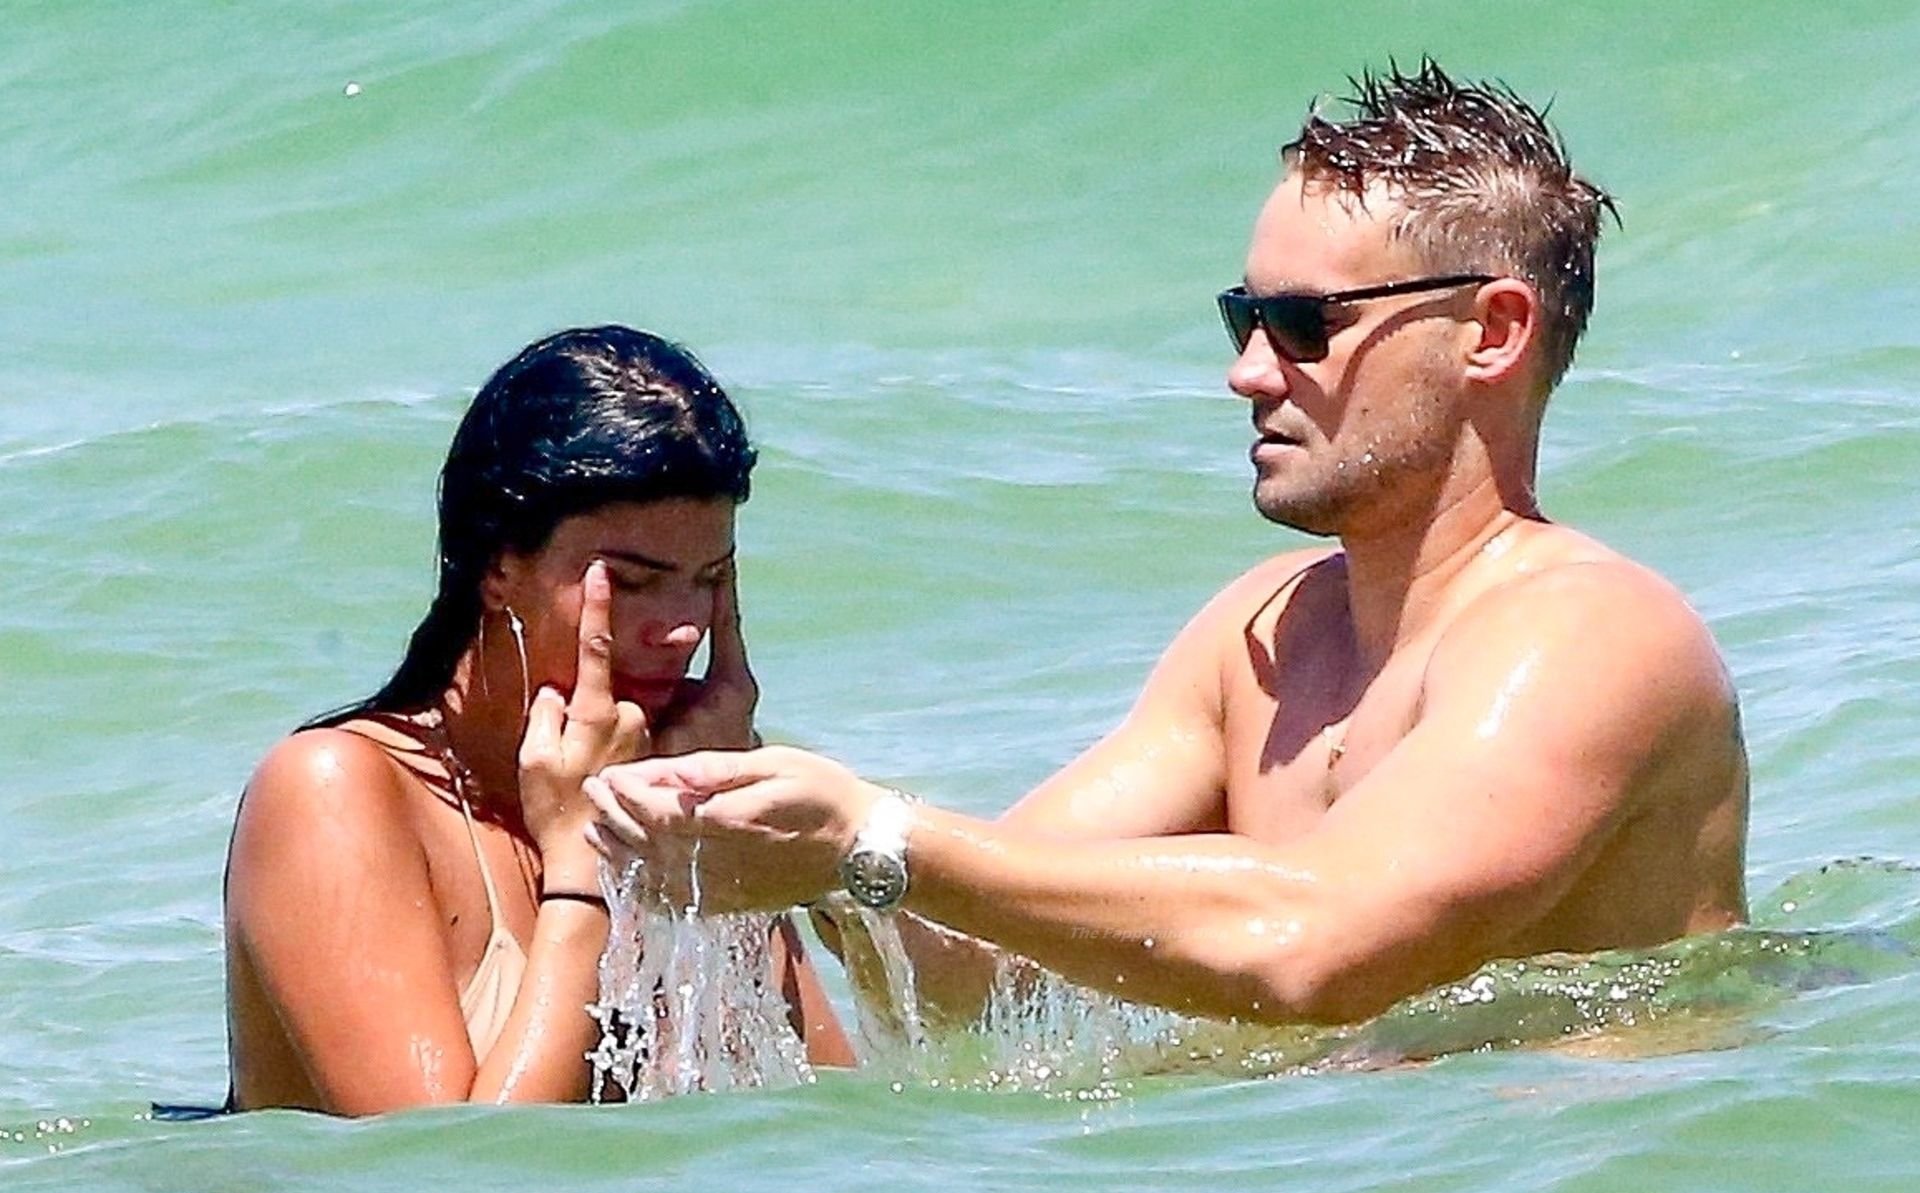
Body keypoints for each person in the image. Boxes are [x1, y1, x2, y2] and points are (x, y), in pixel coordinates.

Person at [586, 61, 1750, 1027]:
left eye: (1303, 324)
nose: (1249, 371)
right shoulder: (1263, 638)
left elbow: (1318, 947)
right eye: (1245, 318)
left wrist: (873, 834)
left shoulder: (1590, 636)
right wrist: (748, 796)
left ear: (1491, 332)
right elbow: (970, 969)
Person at [224, 326, 853, 1115]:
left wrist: (709, 858)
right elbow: (454, 1171)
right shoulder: (332, 790)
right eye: (631, 583)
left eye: (709, 580)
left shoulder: (663, 787)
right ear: (498, 566)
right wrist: (584, 860)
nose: (683, 629)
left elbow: (820, 1123)